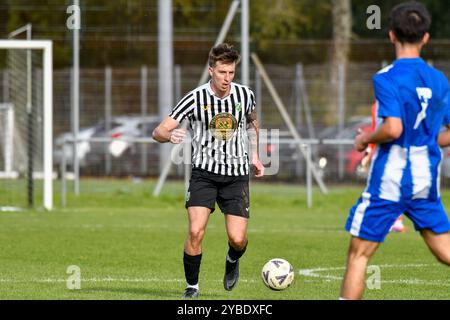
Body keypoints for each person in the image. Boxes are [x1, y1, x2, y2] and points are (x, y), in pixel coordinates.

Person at [340, 1, 450, 300]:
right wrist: (427, 141)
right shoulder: (440, 80)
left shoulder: (386, 77)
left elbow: (393, 129)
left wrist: (365, 139)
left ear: (391, 35)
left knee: (359, 255)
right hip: (425, 179)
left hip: (391, 180)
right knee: (444, 251)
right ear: (425, 37)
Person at [152, 43, 264, 299]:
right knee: (195, 231)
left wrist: (256, 154)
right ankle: (192, 287)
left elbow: (252, 122)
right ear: (210, 70)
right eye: (222, 72)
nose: (227, 79)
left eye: (231, 73)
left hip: (236, 175)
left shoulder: (245, 95)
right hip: (204, 174)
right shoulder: (194, 98)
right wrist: (168, 136)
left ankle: (232, 259)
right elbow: (158, 131)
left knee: (237, 239)